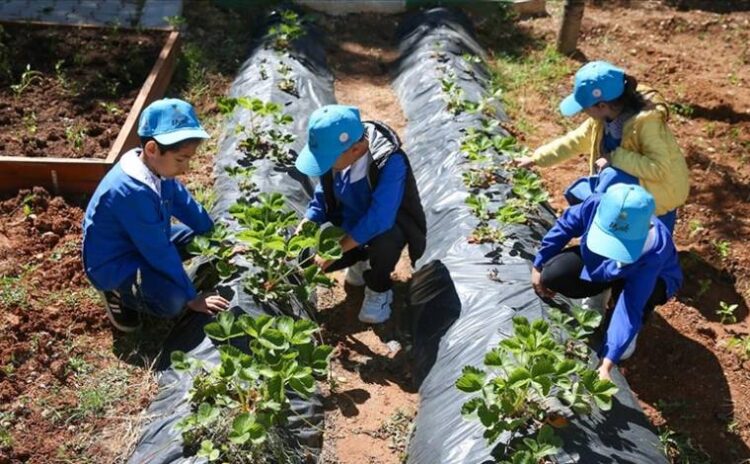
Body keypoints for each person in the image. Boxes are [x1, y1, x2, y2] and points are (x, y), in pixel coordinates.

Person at [82, 98, 229, 332]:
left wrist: (220, 241)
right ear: (152, 149)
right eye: (181, 159)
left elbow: (186, 205)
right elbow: (159, 250)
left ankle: (161, 280)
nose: (186, 168)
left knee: (200, 236)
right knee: (174, 302)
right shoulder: (129, 192)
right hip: (116, 262)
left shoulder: (158, 170)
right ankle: (118, 293)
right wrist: (192, 297)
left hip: (144, 240)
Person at [515, 61, 689, 233]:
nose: (583, 112)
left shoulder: (646, 124)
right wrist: (537, 158)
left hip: (657, 196)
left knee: (650, 249)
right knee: (589, 194)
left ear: (602, 106)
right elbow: (575, 141)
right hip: (627, 192)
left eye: (585, 108)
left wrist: (614, 158)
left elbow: (659, 168)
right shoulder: (602, 120)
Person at [531, 184, 682, 381]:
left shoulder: (654, 249)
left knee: (646, 295)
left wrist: (607, 362)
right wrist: (538, 264)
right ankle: (600, 291)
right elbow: (565, 226)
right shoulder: (596, 203)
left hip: (652, 277)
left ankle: (626, 332)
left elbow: (630, 306)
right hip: (605, 265)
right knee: (554, 274)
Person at [295, 105, 426, 324]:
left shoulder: (389, 162)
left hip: (384, 228)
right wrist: (306, 224)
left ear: (355, 150)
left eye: (328, 159)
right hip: (349, 224)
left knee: (387, 239)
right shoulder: (339, 156)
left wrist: (333, 252)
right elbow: (322, 196)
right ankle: (359, 260)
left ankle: (379, 288)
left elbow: (379, 219)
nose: (325, 165)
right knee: (306, 255)